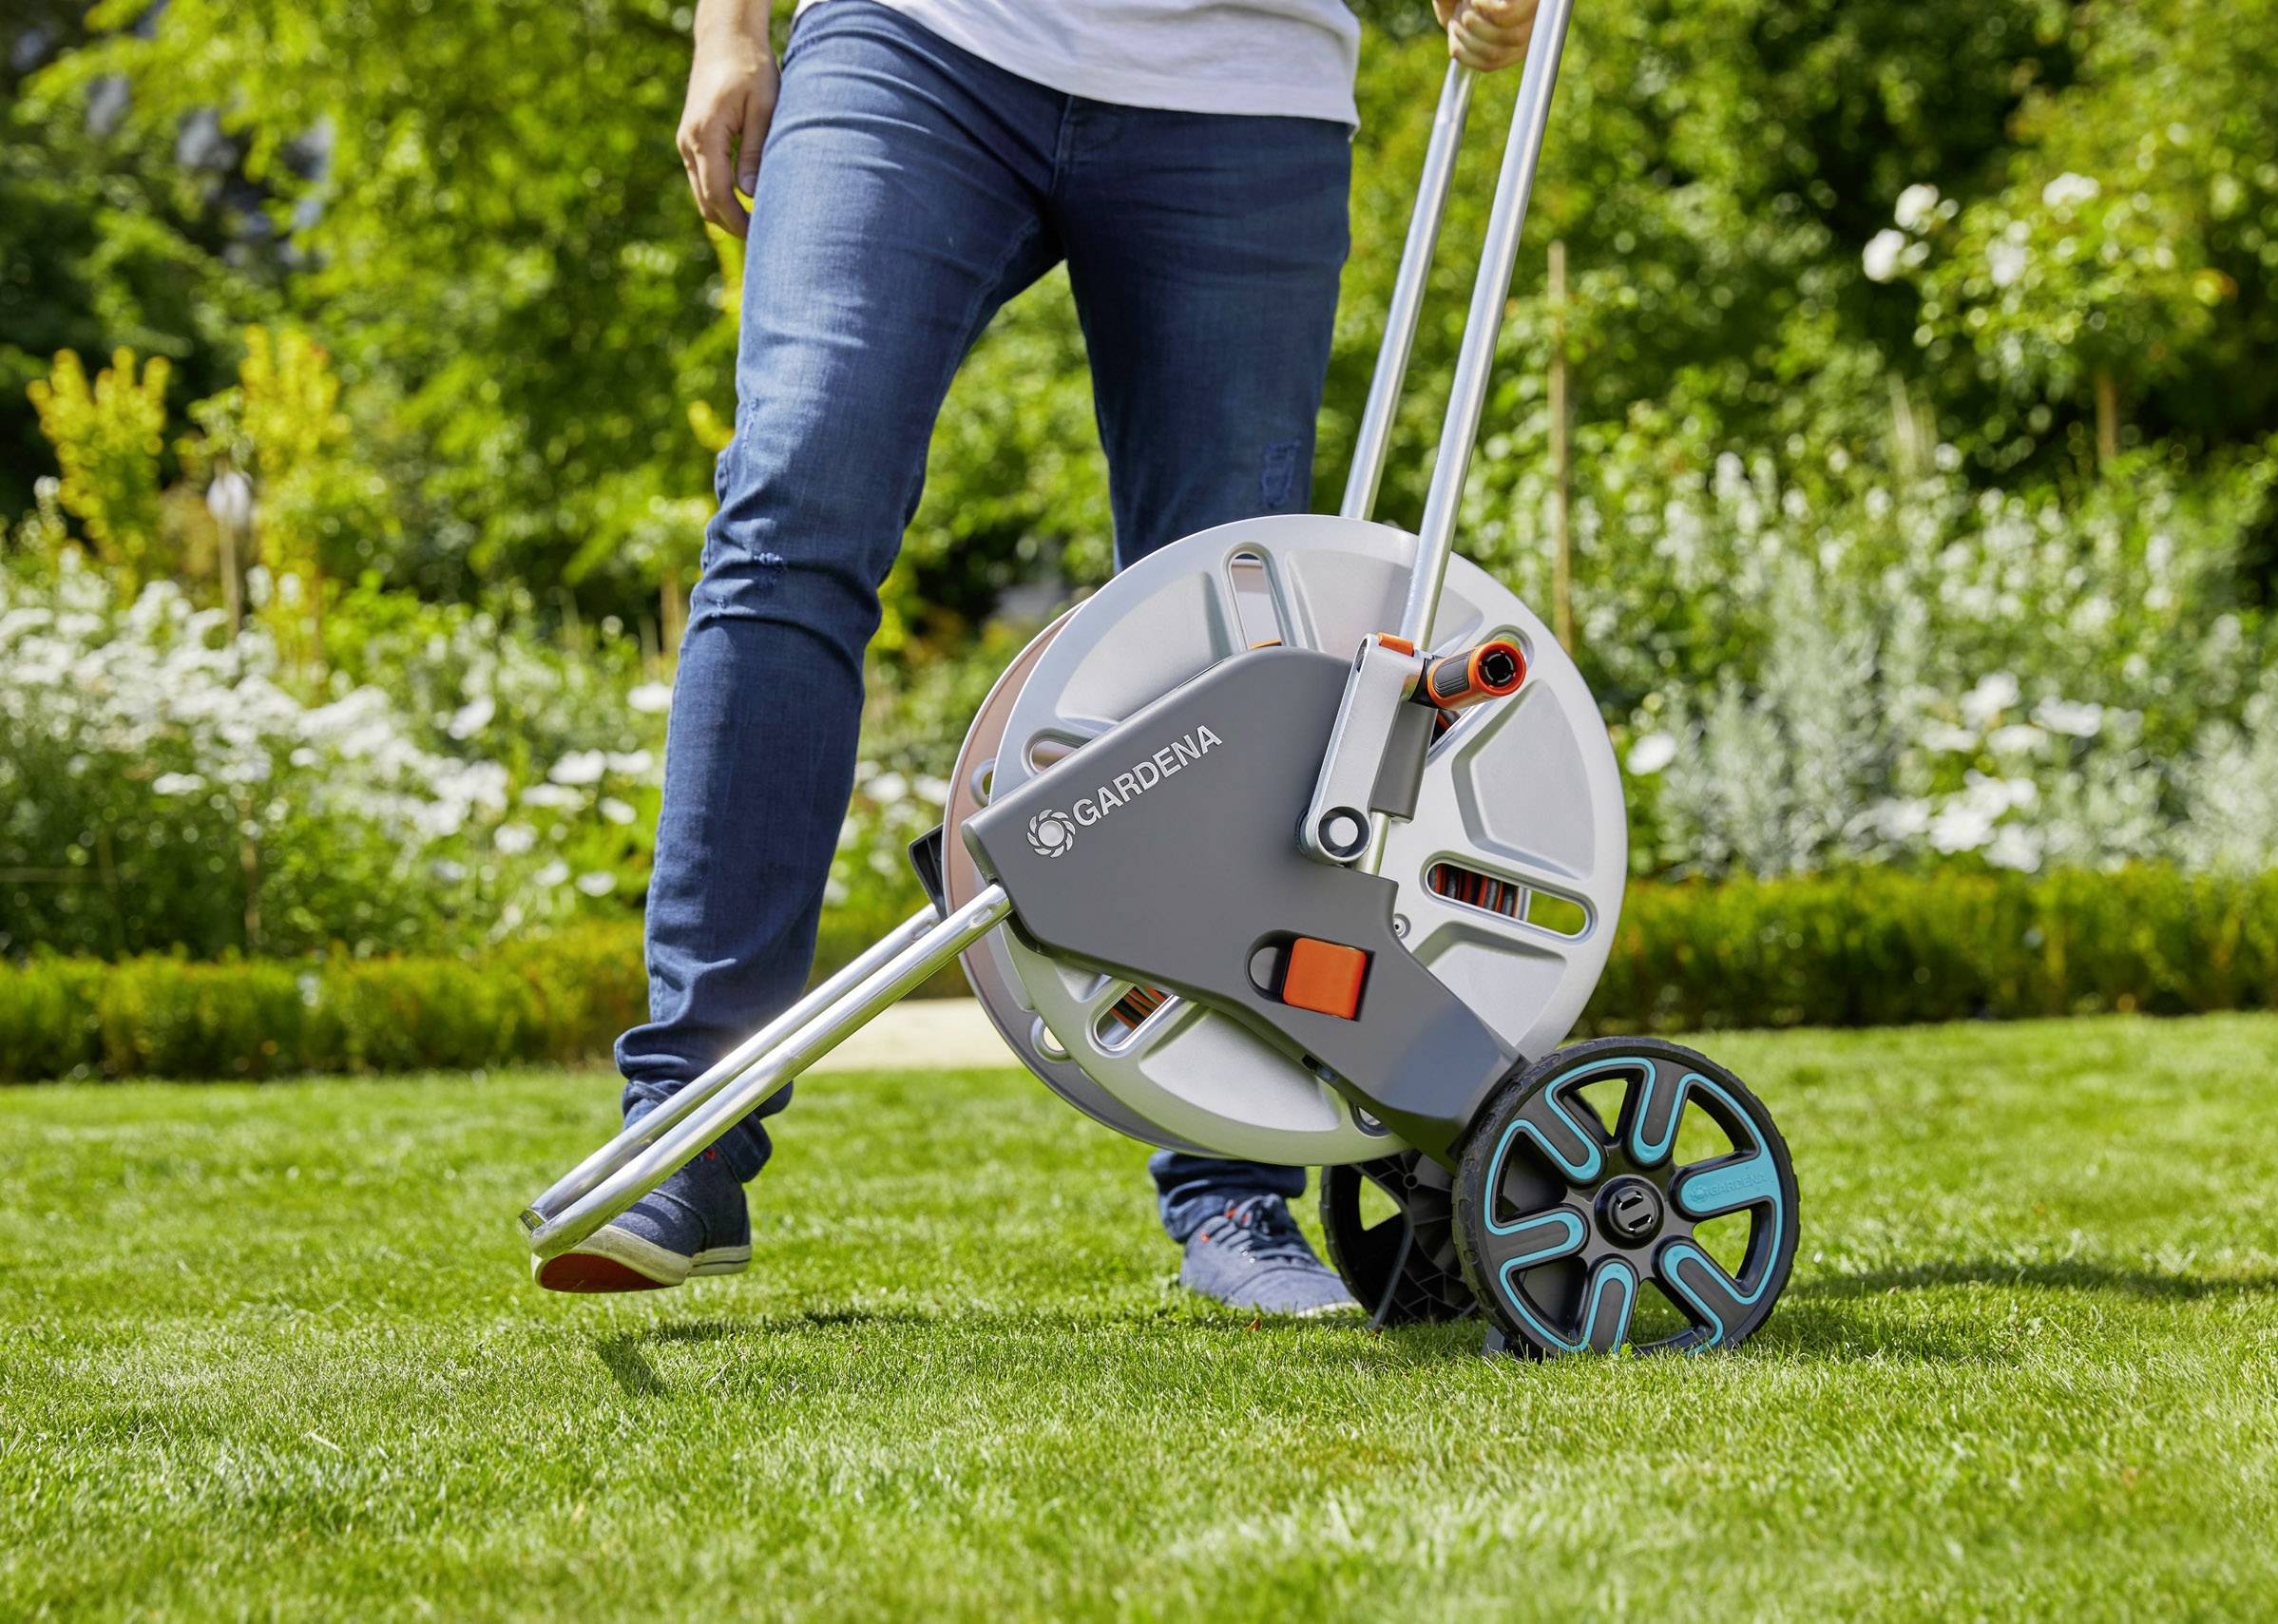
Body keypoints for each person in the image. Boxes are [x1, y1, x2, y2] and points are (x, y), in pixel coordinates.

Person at [536, 0, 1541, 1309]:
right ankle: (686, 1129)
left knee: (1230, 623)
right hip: (918, 40)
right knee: (796, 497)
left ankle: (1232, 1182)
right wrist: (727, 28)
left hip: (1243, 84)